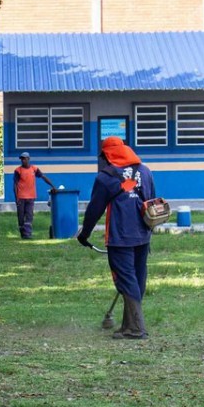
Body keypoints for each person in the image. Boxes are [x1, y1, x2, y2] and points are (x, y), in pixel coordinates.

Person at [77, 136, 156, 339]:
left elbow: (94, 209)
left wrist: (84, 234)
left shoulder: (105, 177)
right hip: (143, 234)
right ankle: (129, 325)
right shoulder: (145, 171)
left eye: (103, 157)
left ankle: (136, 328)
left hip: (120, 235)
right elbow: (151, 201)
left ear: (107, 155)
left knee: (126, 279)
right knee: (137, 279)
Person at [12, 151, 56, 239]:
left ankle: (27, 234)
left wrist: (52, 185)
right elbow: (15, 185)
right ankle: (23, 233)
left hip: (31, 197)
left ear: (28, 159)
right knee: (21, 216)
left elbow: (43, 177)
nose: (23, 161)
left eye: (24, 159)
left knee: (29, 216)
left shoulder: (34, 169)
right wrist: (16, 197)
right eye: (21, 159)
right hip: (21, 197)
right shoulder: (18, 170)